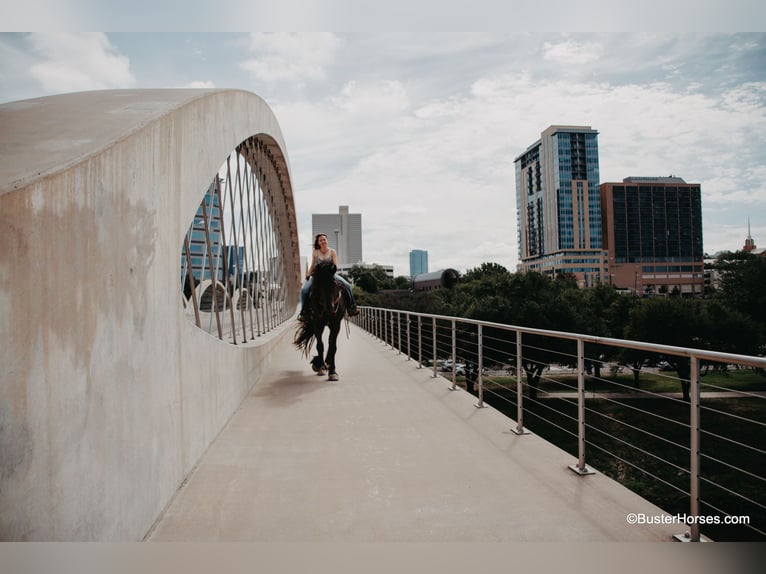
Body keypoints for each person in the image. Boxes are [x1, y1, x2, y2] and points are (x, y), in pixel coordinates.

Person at [299, 233, 358, 320]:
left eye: (324, 239)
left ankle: (352, 308)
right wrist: (308, 273)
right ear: (318, 242)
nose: (323, 241)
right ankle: (304, 312)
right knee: (304, 290)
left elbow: (336, 265)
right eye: (320, 240)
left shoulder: (332, 252)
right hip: (317, 276)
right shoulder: (315, 252)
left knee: (347, 286)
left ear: (327, 240)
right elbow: (312, 265)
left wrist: (332, 270)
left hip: (330, 275)